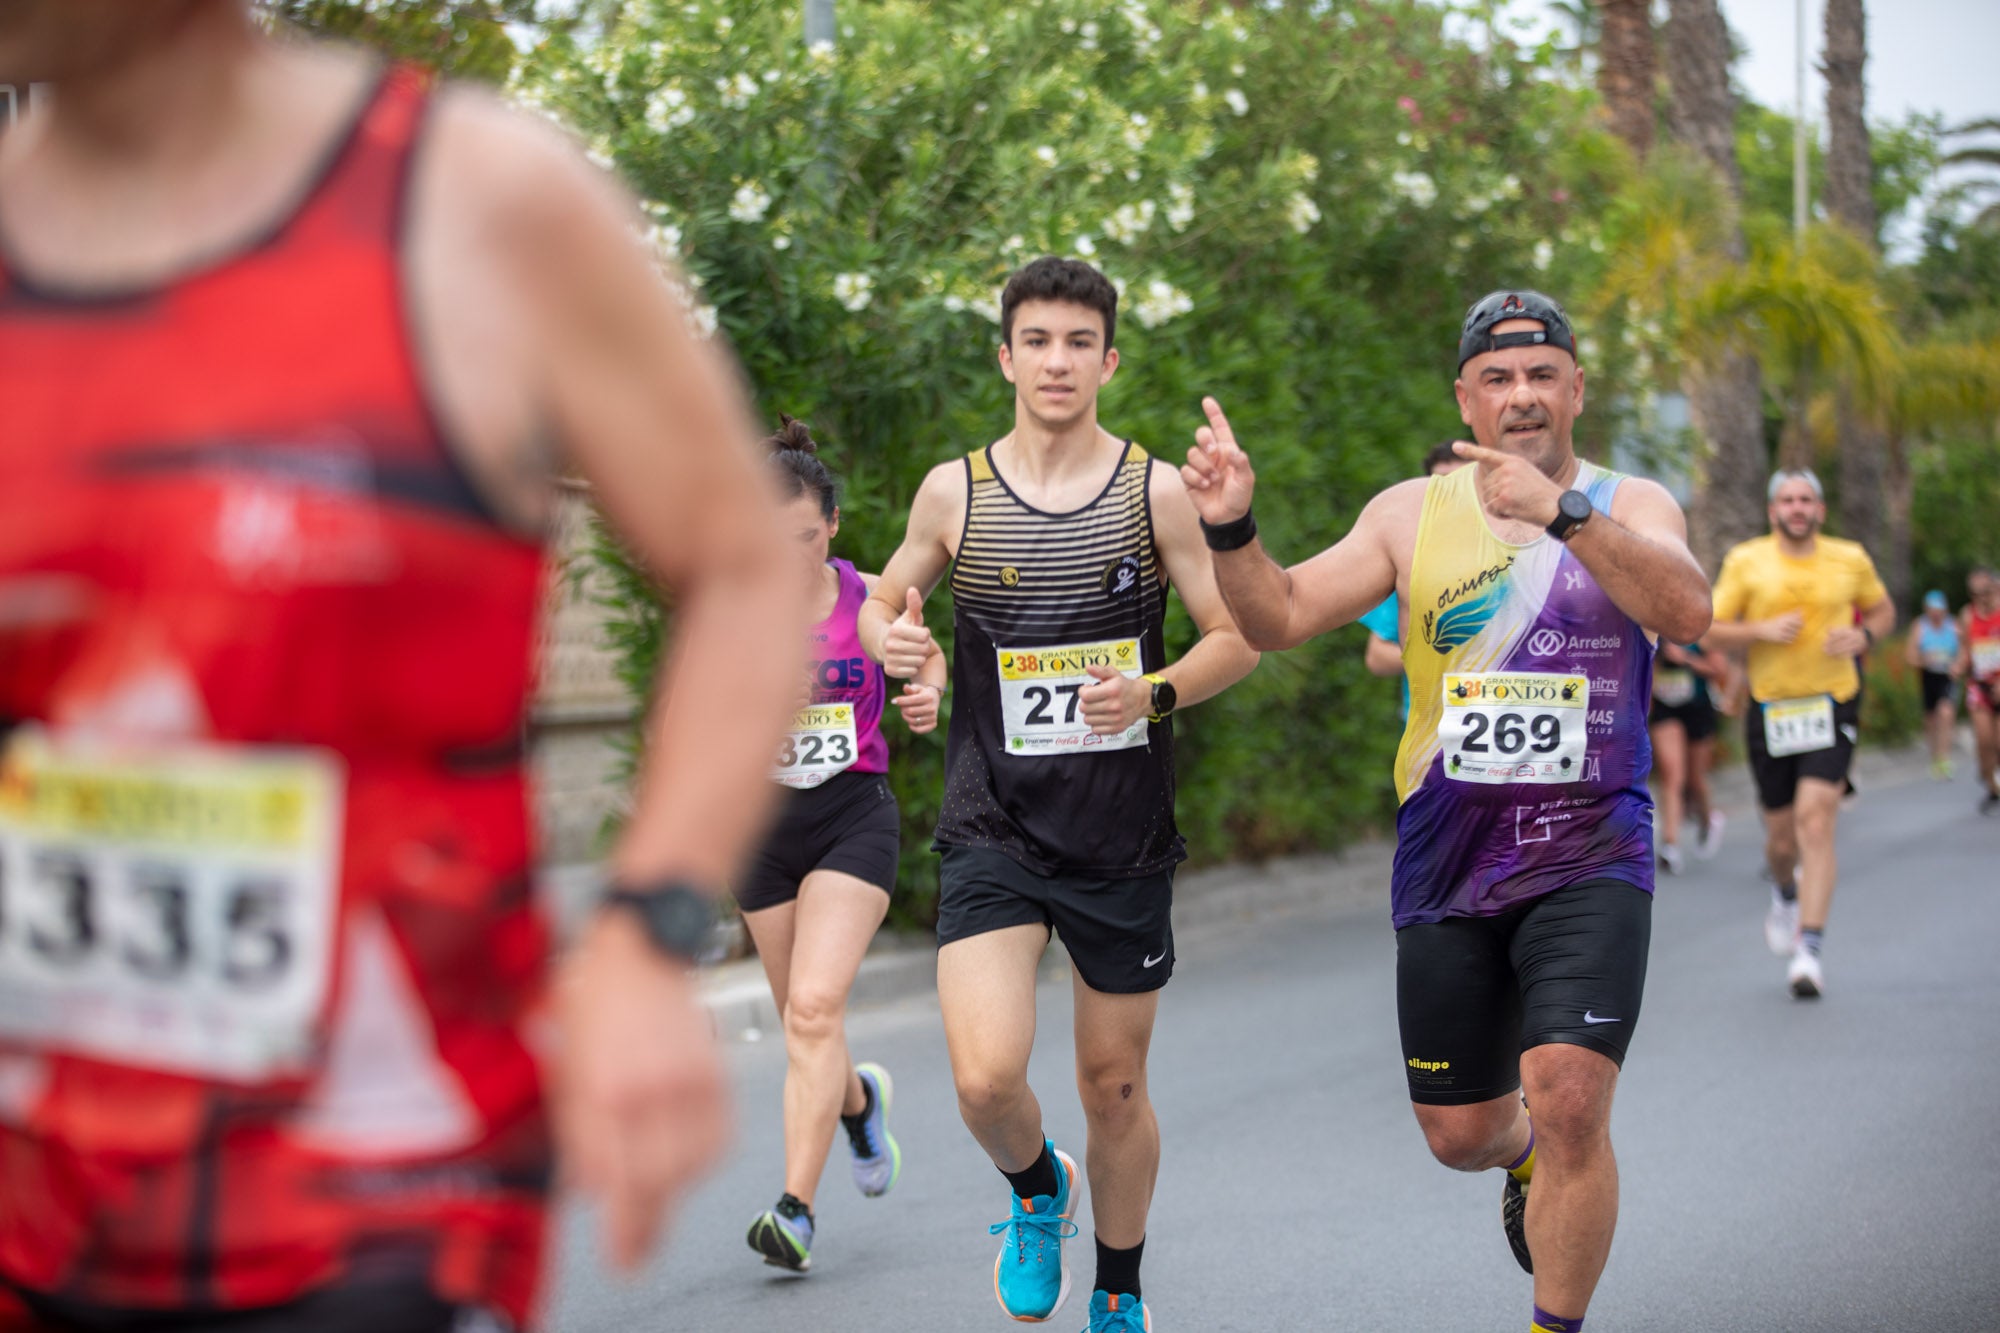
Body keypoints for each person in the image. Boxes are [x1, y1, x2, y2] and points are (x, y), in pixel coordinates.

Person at [0, 5, 803, 1327]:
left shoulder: (474, 202)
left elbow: (745, 566)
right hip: (38, 1196)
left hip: (377, 1196)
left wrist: (646, 932)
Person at [1185, 289, 1710, 1333]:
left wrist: (1564, 513)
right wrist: (1230, 526)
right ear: (1465, 400)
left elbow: (1686, 608)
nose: (1522, 395)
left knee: (1569, 1096)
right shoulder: (1406, 513)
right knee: (1458, 1131)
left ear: (1576, 389)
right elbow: (1278, 615)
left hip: (1590, 854)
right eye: (1497, 378)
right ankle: (1518, 1157)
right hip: (1448, 863)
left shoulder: (1630, 502)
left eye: (1542, 374)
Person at [858, 256, 1258, 1332]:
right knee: (985, 1081)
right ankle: (1039, 1189)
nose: (1056, 361)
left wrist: (1154, 692)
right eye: (1036, 340)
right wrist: (898, 645)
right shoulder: (955, 491)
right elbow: (883, 602)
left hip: (1120, 835)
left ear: (1108, 362)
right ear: (1006, 357)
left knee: (1111, 1085)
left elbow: (1236, 637)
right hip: (992, 822)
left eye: (1079, 342)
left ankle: (1118, 1289)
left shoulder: (1151, 491)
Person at [737, 417, 947, 1273]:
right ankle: (859, 1103)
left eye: (803, 537)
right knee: (804, 1023)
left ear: (830, 523)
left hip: (851, 816)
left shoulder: (866, 598)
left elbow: (922, 657)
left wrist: (927, 691)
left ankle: (795, 1209)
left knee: (815, 1009)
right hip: (760, 831)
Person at [1706, 470, 1894, 998]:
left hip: (1832, 701)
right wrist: (1758, 631)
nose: (1797, 508)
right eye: (1787, 500)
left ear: (1820, 509)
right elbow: (1708, 627)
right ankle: (1785, 892)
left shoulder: (1849, 557)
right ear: (1773, 511)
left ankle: (1809, 950)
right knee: (1782, 840)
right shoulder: (1747, 560)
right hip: (1771, 708)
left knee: (1816, 819)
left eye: (1806, 500)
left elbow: (1883, 610)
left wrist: (1865, 634)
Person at [1360, 439, 1471, 715]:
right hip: (1430, 727)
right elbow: (1377, 657)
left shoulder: (1522, 550)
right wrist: (1446, 656)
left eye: (1462, 482)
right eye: (1441, 484)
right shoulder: (1413, 559)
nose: (1451, 493)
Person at [1648, 641, 1729, 872]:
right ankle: (1670, 845)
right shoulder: (1654, 630)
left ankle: (1707, 820)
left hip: (1697, 708)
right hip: (1665, 709)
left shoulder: (1701, 632)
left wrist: (1685, 659)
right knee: (1671, 775)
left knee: (1696, 779)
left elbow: (1718, 669)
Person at [1906, 590, 1962, 781]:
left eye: (1939, 610)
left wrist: (1958, 665)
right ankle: (1935, 756)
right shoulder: (1920, 626)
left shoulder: (1954, 625)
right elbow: (1910, 656)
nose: (1936, 614)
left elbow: (1965, 650)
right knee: (1930, 719)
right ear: (1927, 610)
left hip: (1947, 676)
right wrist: (1924, 660)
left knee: (1946, 712)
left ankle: (1944, 758)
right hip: (1928, 676)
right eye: (1932, 610)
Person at [1960, 567, 2000, 813]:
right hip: (1979, 684)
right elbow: (1966, 650)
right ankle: (1992, 786)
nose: (1980, 598)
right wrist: (1958, 664)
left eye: (1984, 591)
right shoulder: (1968, 615)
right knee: (1984, 740)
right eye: (1974, 593)